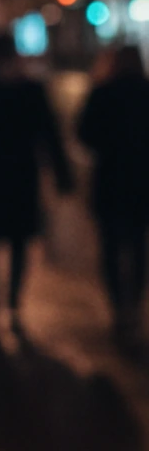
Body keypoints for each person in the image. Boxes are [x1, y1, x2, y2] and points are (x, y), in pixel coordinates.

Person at [0, 33, 72, 338]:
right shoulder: (31, 89)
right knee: (18, 243)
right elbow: (49, 134)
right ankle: (11, 304)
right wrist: (61, 173)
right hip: (21, 175)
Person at [78, 45, 149, 339]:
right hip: (142, 178)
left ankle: (118, 305)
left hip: (110, 178)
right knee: (137, 242)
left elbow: (84, 133)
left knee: (110, 245)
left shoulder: (103, 92)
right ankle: (133, 303)